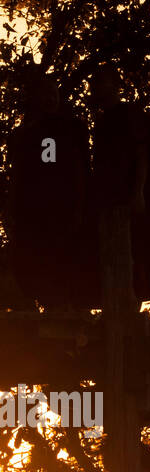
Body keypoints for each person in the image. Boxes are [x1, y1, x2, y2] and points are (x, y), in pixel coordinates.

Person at [2, 69, 97, 310]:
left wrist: (80, 206)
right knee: (37, 271)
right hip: (35, 214)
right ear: (34, 98)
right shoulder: (27, 135)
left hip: (61, 212)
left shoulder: (71, 130)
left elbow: (81, 171)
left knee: (60, 272)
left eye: (54, 93)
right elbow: (19, 175)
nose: (50, 98)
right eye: (45, 93)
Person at [89, 71, 150, 303]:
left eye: (100, 82)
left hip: (131, 197)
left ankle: (133, 303)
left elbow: (142, 154)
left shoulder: (130, 115)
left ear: (115, 85)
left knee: (137, 250)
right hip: (112, 198)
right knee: (118, 253)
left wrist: (138, 192)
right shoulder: (102, 121)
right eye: (93, 85)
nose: (95, 89)